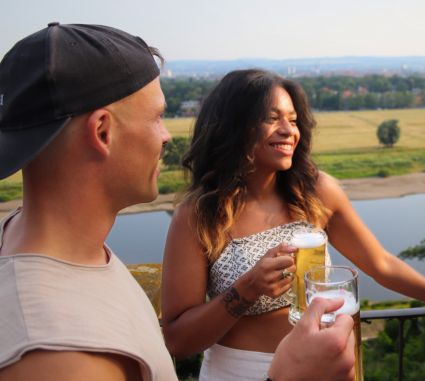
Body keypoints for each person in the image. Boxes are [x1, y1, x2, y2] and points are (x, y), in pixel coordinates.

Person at [0, 23, 356, 381]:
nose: (167, 136)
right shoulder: (50, 350)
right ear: (103, 131)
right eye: (157, 117)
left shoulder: (73, 257)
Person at [160, 69, 425, 380]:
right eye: (271, 118)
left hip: (324, 369)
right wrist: (246, 289)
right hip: (236, 371)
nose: (289, 130)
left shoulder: (316, 192)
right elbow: (178, 341)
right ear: (233, 126)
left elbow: (380, 264)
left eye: (293, 120)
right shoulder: (197, 216)